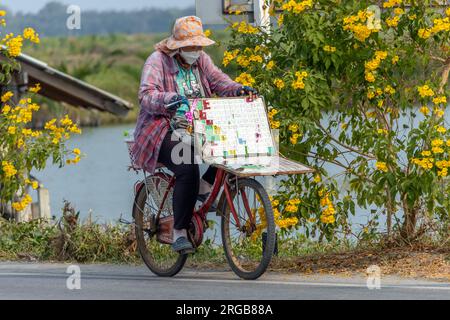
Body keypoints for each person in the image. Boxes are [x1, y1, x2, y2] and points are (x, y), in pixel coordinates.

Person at [131, 16, 257, 253]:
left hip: (197, 125)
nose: (196, 51)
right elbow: (146, 96)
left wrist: (238, 88)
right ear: (177, 46)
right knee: (186, 165)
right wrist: (169, 99)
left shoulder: (202, 60)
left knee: (229, 148)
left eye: (199, 46)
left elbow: (220, 82)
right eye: (191, 47)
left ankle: (204, 186)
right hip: (163, 127)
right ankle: (179, 232)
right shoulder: (157, 61)